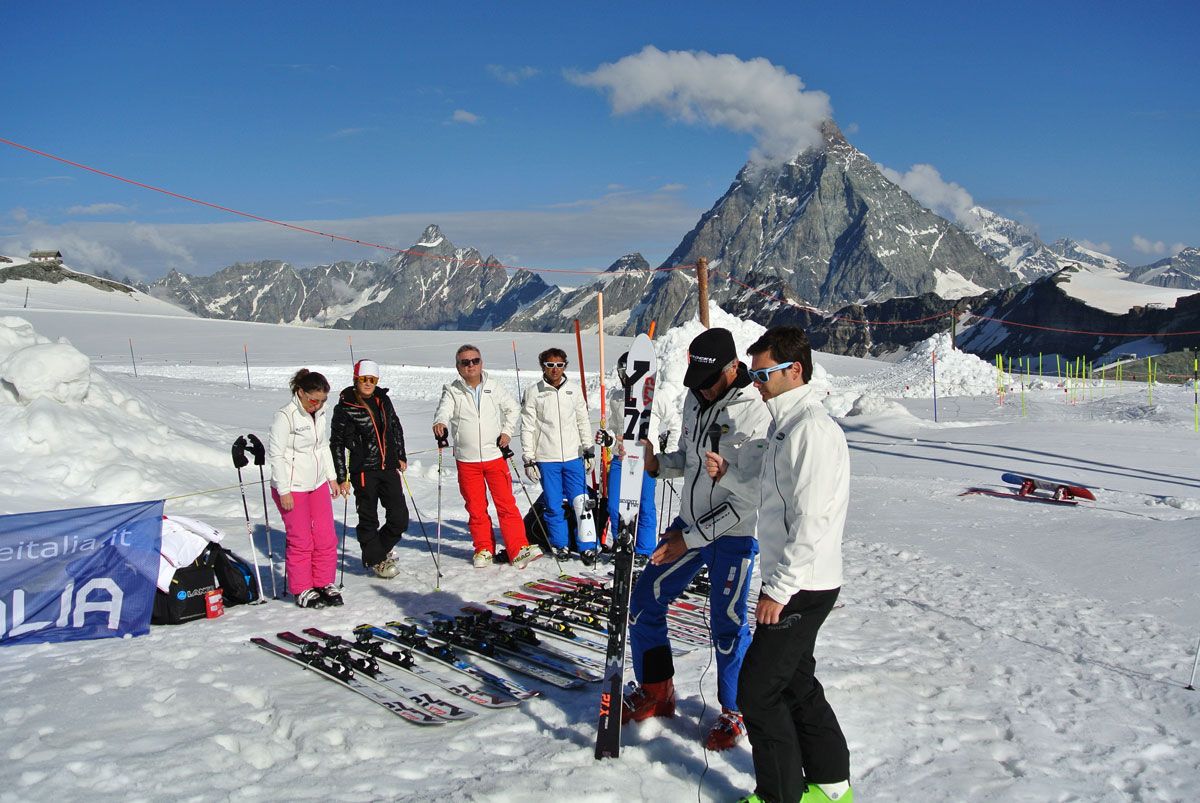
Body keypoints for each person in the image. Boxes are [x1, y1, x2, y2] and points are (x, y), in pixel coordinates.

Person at [624, 327, 772, 751]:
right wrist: (656, 464)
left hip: (731, 533)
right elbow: (688, 462)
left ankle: (736, 710)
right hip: (689, 525)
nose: (702, 393)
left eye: (708, 385)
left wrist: (691, 540)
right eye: (696, 385)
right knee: (646, 598)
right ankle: (657, 689)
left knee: (728, 623)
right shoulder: (696, 397)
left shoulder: (755, 411)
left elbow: (751, 497)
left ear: (732, 369)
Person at [733, 326, 852, 803]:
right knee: (797, 682)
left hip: (802, 584)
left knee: (757, 693)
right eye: (753, 375)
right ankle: (831, 786)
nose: (756, 385)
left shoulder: (812, 430)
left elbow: (812, 518)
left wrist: (779, 589)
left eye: (763, 375)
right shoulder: (785, 424)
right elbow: (776, 496)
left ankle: (779, 796)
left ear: (795, 370)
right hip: (796, 579)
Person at [433, 344, 543, 569]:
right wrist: (440, 422)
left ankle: (518, 548)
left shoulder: (493, 386)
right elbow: (443, 410)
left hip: (494, 456)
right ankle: (483, 548)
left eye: (475, 361)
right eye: (465, 362)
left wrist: (506, 431)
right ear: (458, 367)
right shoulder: (452, 390)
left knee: (506, 504)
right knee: (475, 507)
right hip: (467, 460)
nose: (471, 365)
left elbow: (513, 409)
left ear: (481, 363)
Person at [268, 368, 342, 609]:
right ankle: (301, 588)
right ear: (300, 393)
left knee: (326, 536)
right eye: (313, 400)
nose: (317, 405)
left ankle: (323, 582)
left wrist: (331, 477)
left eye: (322, 401)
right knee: (301, 539)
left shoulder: (319, 414)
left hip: (317, 483)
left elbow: (322, 447)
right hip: (293, 487)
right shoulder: (285, 416)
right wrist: (283, 490)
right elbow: (276, 455)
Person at [330, 359, 409, 579]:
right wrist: (341, 476)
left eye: (372, 379)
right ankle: (377, 560)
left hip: (388, 466)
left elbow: (395, 426)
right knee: (368, 518)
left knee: (400, 517)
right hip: (363, 470)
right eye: (364, 379)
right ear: (356, 379)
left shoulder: (383, 400)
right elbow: (336, 443)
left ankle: (375, 553)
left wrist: (400, 454)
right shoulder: (345, 406)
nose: (368, 383)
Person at [519, 347, 598, 563]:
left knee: (582, 503)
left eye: (559, 365)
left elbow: (582, 420)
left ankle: (588, 546)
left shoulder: (573, 390)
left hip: (573, 457)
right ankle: (560, 545)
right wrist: (529, 458)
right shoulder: (533, 392)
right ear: (543, 366)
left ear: (565, 366)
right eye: (550, 365)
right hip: (547, 459)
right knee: (553, 505)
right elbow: (527, 427)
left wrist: (588, 449)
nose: (555, 370)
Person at [594, 351, 660, 564]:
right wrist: (609, 439)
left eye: (629, 372)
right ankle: (621, 544)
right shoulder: (616, 397)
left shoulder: (655, 396)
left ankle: (644, 550)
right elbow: (614, 428)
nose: (626, 377)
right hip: (621, 458)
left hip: (646, 460)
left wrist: (665, 447)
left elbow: (675, 422)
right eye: (623, 372)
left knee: (645, 505)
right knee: (615, 505)